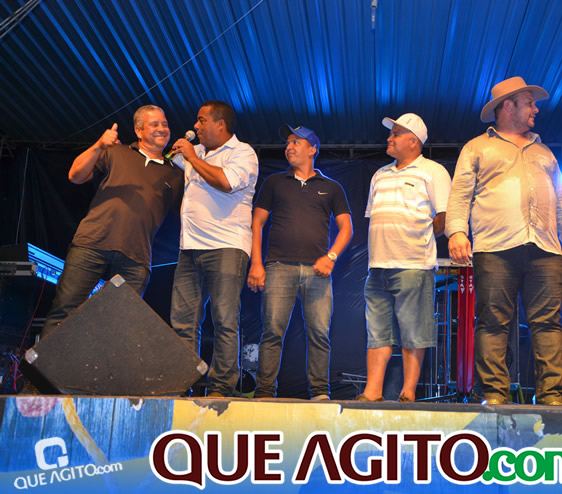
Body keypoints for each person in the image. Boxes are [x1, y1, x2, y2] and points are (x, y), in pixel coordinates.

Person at [446, 77, 562, 406]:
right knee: (493, 322)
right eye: (529, 103)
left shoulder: (544, 151)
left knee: (548, 323)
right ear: (508, 106)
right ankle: (495, 396)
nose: (536, 109)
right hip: (495, 247)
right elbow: (460, 194)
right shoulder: (477, 147)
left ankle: (552, 399)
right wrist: (457, 232)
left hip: (545, 248)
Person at [40, 105, 183, 339]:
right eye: (154, 124)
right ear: (138, 130)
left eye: (165, 124)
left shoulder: (175, 173)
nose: (162, 128)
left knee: (119, 325)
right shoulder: (116, 152)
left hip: (136, 258)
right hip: (92, 243)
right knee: (65, 310)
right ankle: (46, 364)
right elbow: (75, 176)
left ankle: (98, 365)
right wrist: (99, 145)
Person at [248, 125, 353, 400]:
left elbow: (347, 228)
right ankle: (264, 392)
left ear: (312, 149)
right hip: (278, 266)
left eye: (296, 142)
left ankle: (319, 392)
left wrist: (331, 257)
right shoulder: (274, 182)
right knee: (272, 332)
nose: (289, 147)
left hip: (317, 272)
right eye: (288, 143)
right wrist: (256, 263)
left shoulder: (331, 187)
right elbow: (257, 223)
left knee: (319, 333)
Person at [356, 113, 451, 403]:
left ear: (413, 141)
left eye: (395, 134)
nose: (389, 138)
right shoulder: (379, 174)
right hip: (378, 265)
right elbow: (374, 216)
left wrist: (420, 237)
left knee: (413, 331)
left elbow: (445, 216)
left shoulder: (432, 171)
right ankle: (372, 392)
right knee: (377, 332)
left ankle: (408, 392)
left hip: (413, 264)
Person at [168, 100, 258, 397]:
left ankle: (220, 388)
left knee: (224, 320)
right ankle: (181, 385)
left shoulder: (242, 153)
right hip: (189, 247)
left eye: (201, 120)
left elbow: (226, 182)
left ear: (221, 124)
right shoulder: (196, 153)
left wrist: (192, 157)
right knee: (183, 321)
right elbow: (160, 160)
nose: (195, 126)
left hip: (226, 247)